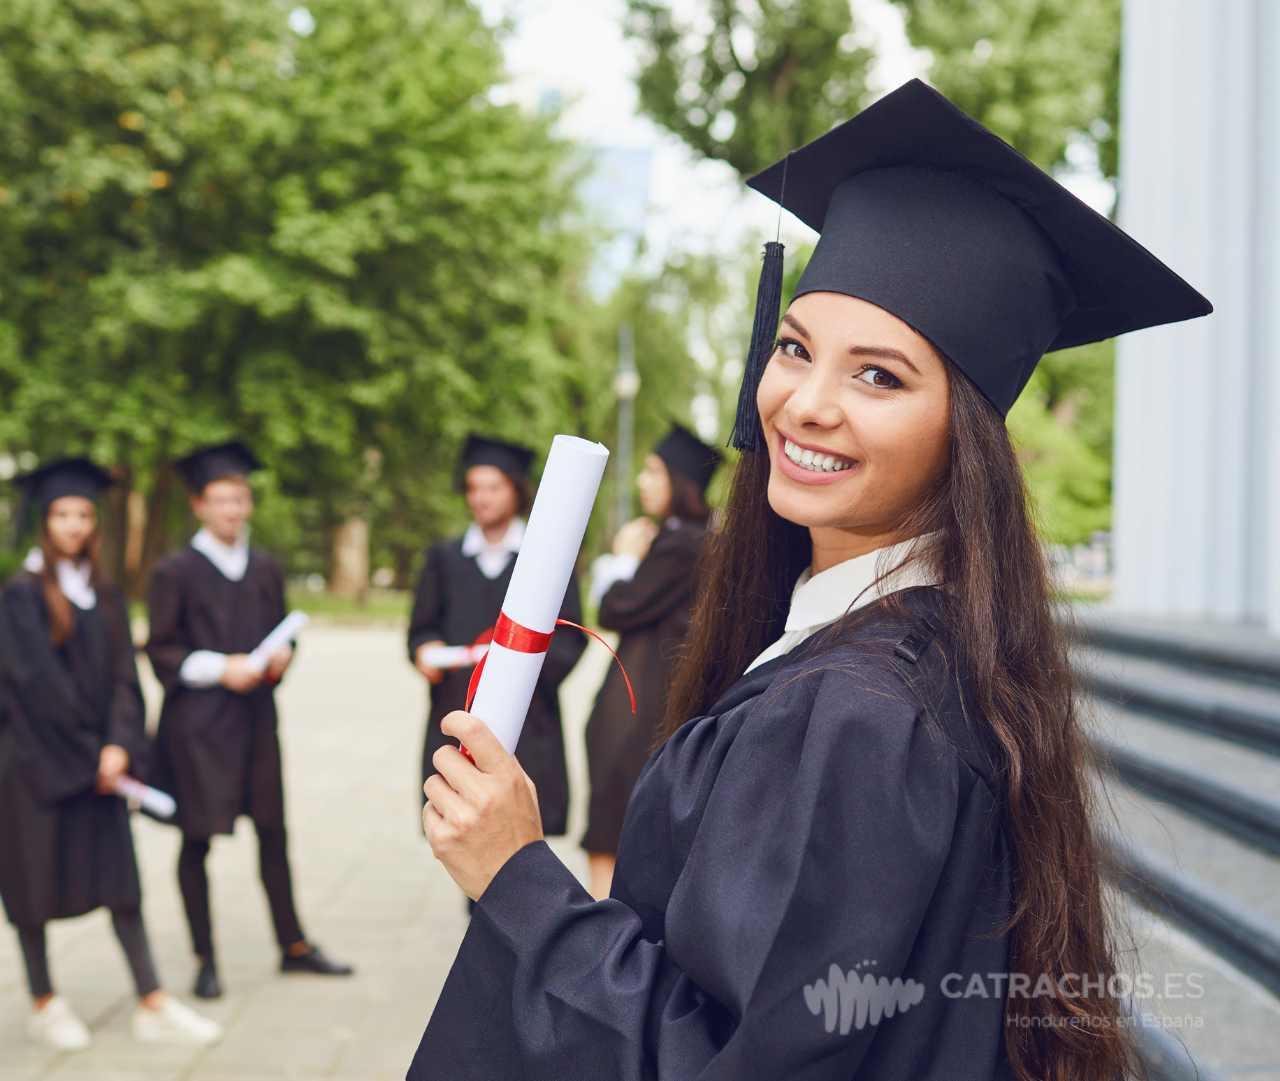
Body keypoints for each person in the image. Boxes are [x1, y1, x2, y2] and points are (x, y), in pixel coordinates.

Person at [409, 80, 1213, 1080]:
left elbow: (740, 1060)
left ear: (959, 433)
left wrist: (516, 875)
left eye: (877, 375)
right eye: (793, 348)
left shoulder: (859, 715)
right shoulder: (924, 658)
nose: (805, 403)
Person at [0, 459, 222, 1050]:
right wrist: (91, 755)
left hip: (102, 766)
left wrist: (121, 745)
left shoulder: (103, 593)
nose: (73, 525)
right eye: (62, 515)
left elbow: (127, 677)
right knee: (31, 887)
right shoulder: (20, 596)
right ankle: (44, 1000)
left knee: (121, 885)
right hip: (36, 768)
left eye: (82, 515)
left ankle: (152, 1000)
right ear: (43, 523)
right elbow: (34, 688)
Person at [146, 442, 352, 1000]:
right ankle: (204, 957)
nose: (233, 510)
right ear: (199, 505)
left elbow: (284, 632)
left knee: (272, 831)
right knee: (197, 838)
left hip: (257, 719)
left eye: (240, 499)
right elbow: (162, 650)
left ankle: (294, 946)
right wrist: (221, 668)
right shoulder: (175, 570)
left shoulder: (264, 568)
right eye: (221, 500)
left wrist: (281, 661)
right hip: (199, 724)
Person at [409, 435, 586, 846]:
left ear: (516, 491)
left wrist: (519, 673)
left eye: (493, 487)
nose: (481, 498)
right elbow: (422, 629)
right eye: (473, 488)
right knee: (462, 826)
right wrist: (424, 653)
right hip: (458, 709)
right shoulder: (444, 558)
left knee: (520, 837)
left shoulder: (545, 559)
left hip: (528, 718)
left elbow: (571, 636)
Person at [581, 425, 720, 900]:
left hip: (639, 702)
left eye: (653, 470)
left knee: (610, 820)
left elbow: (616, 607)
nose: (642, 480)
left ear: (680, 480)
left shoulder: (684, 541)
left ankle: (595, 940)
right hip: (652, 697)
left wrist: (623, 559)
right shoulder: (701, 535)